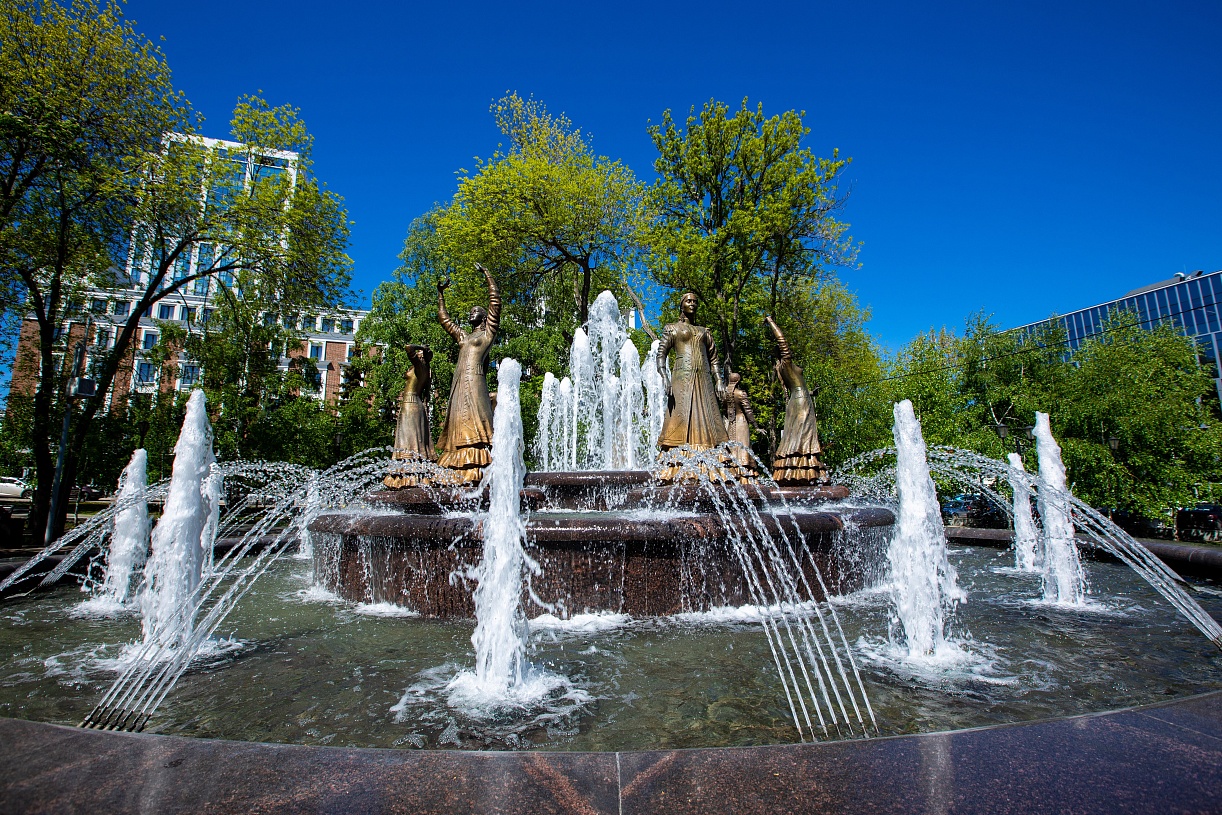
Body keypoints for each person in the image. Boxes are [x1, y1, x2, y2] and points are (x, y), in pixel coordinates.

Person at [435, 264, 500, 484]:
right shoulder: (464, 337)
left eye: (475, 311)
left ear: (483, 316)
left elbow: (495, 303)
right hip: (459, 382)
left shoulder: (487, 334)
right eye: (470, 311)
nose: (471, 313)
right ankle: (456, 465)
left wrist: (487, 274)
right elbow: (444, 320)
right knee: (458, 419)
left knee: (476, 420)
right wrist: (441, 294)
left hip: (475, 382)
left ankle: (481, 464)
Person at [765, 315, 829, 485]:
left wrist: (811, 393)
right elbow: (782, 341)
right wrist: (771, 322)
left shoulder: (782, 368)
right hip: (801, 402)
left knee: (796, 435)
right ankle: (805, 473)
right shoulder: (785, 364)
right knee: (803, 436)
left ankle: (795, 472)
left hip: (797, 400)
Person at [384, 345, 435, 488]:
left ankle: (410, 475)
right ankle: (413, 475)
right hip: (414, 404)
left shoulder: (420, 366)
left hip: (410, 403)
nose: (417, 354)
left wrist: (421, 347)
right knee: (412, 438)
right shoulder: (424, 369)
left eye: (419, 353)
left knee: (408, 439)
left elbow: (408, 348)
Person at [722, 370, 757, 472]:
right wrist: (755, 426)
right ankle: (744, 471)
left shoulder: (724, 395)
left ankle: (732, 470)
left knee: (731, 447)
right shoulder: (741, 394)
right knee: (743, 446)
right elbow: (748, 411)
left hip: (729, 423)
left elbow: (724, 410)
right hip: (741, 422)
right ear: (738, 381)